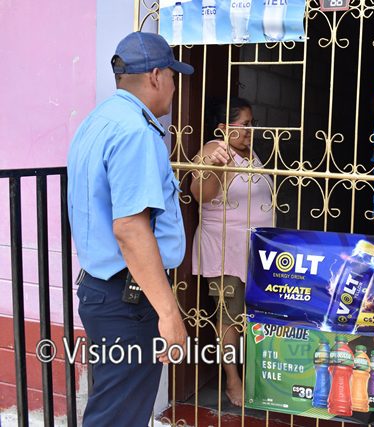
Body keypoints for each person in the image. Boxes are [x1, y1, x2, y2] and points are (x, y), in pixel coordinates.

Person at [67, 32, 193, 426]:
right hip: (128, 300)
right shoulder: (136, 132)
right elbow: (130, 229)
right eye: (172, 75)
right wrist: (169, 313)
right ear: (156, 76)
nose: (174, 86)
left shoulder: (99, 120)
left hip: (102, 290)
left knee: (113, 409)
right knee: (118, 417)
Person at [190, 98, 273, 406]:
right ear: (224, 127)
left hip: (255, 250)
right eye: (246, 125)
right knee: (230, 316)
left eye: (252, 124)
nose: (251, 130)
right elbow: (200, 194)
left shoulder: (248, 150)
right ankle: (232, 380)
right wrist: (213, 167)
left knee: (253, 315)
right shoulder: (213, 150)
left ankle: (256, 374)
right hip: (226, 250)